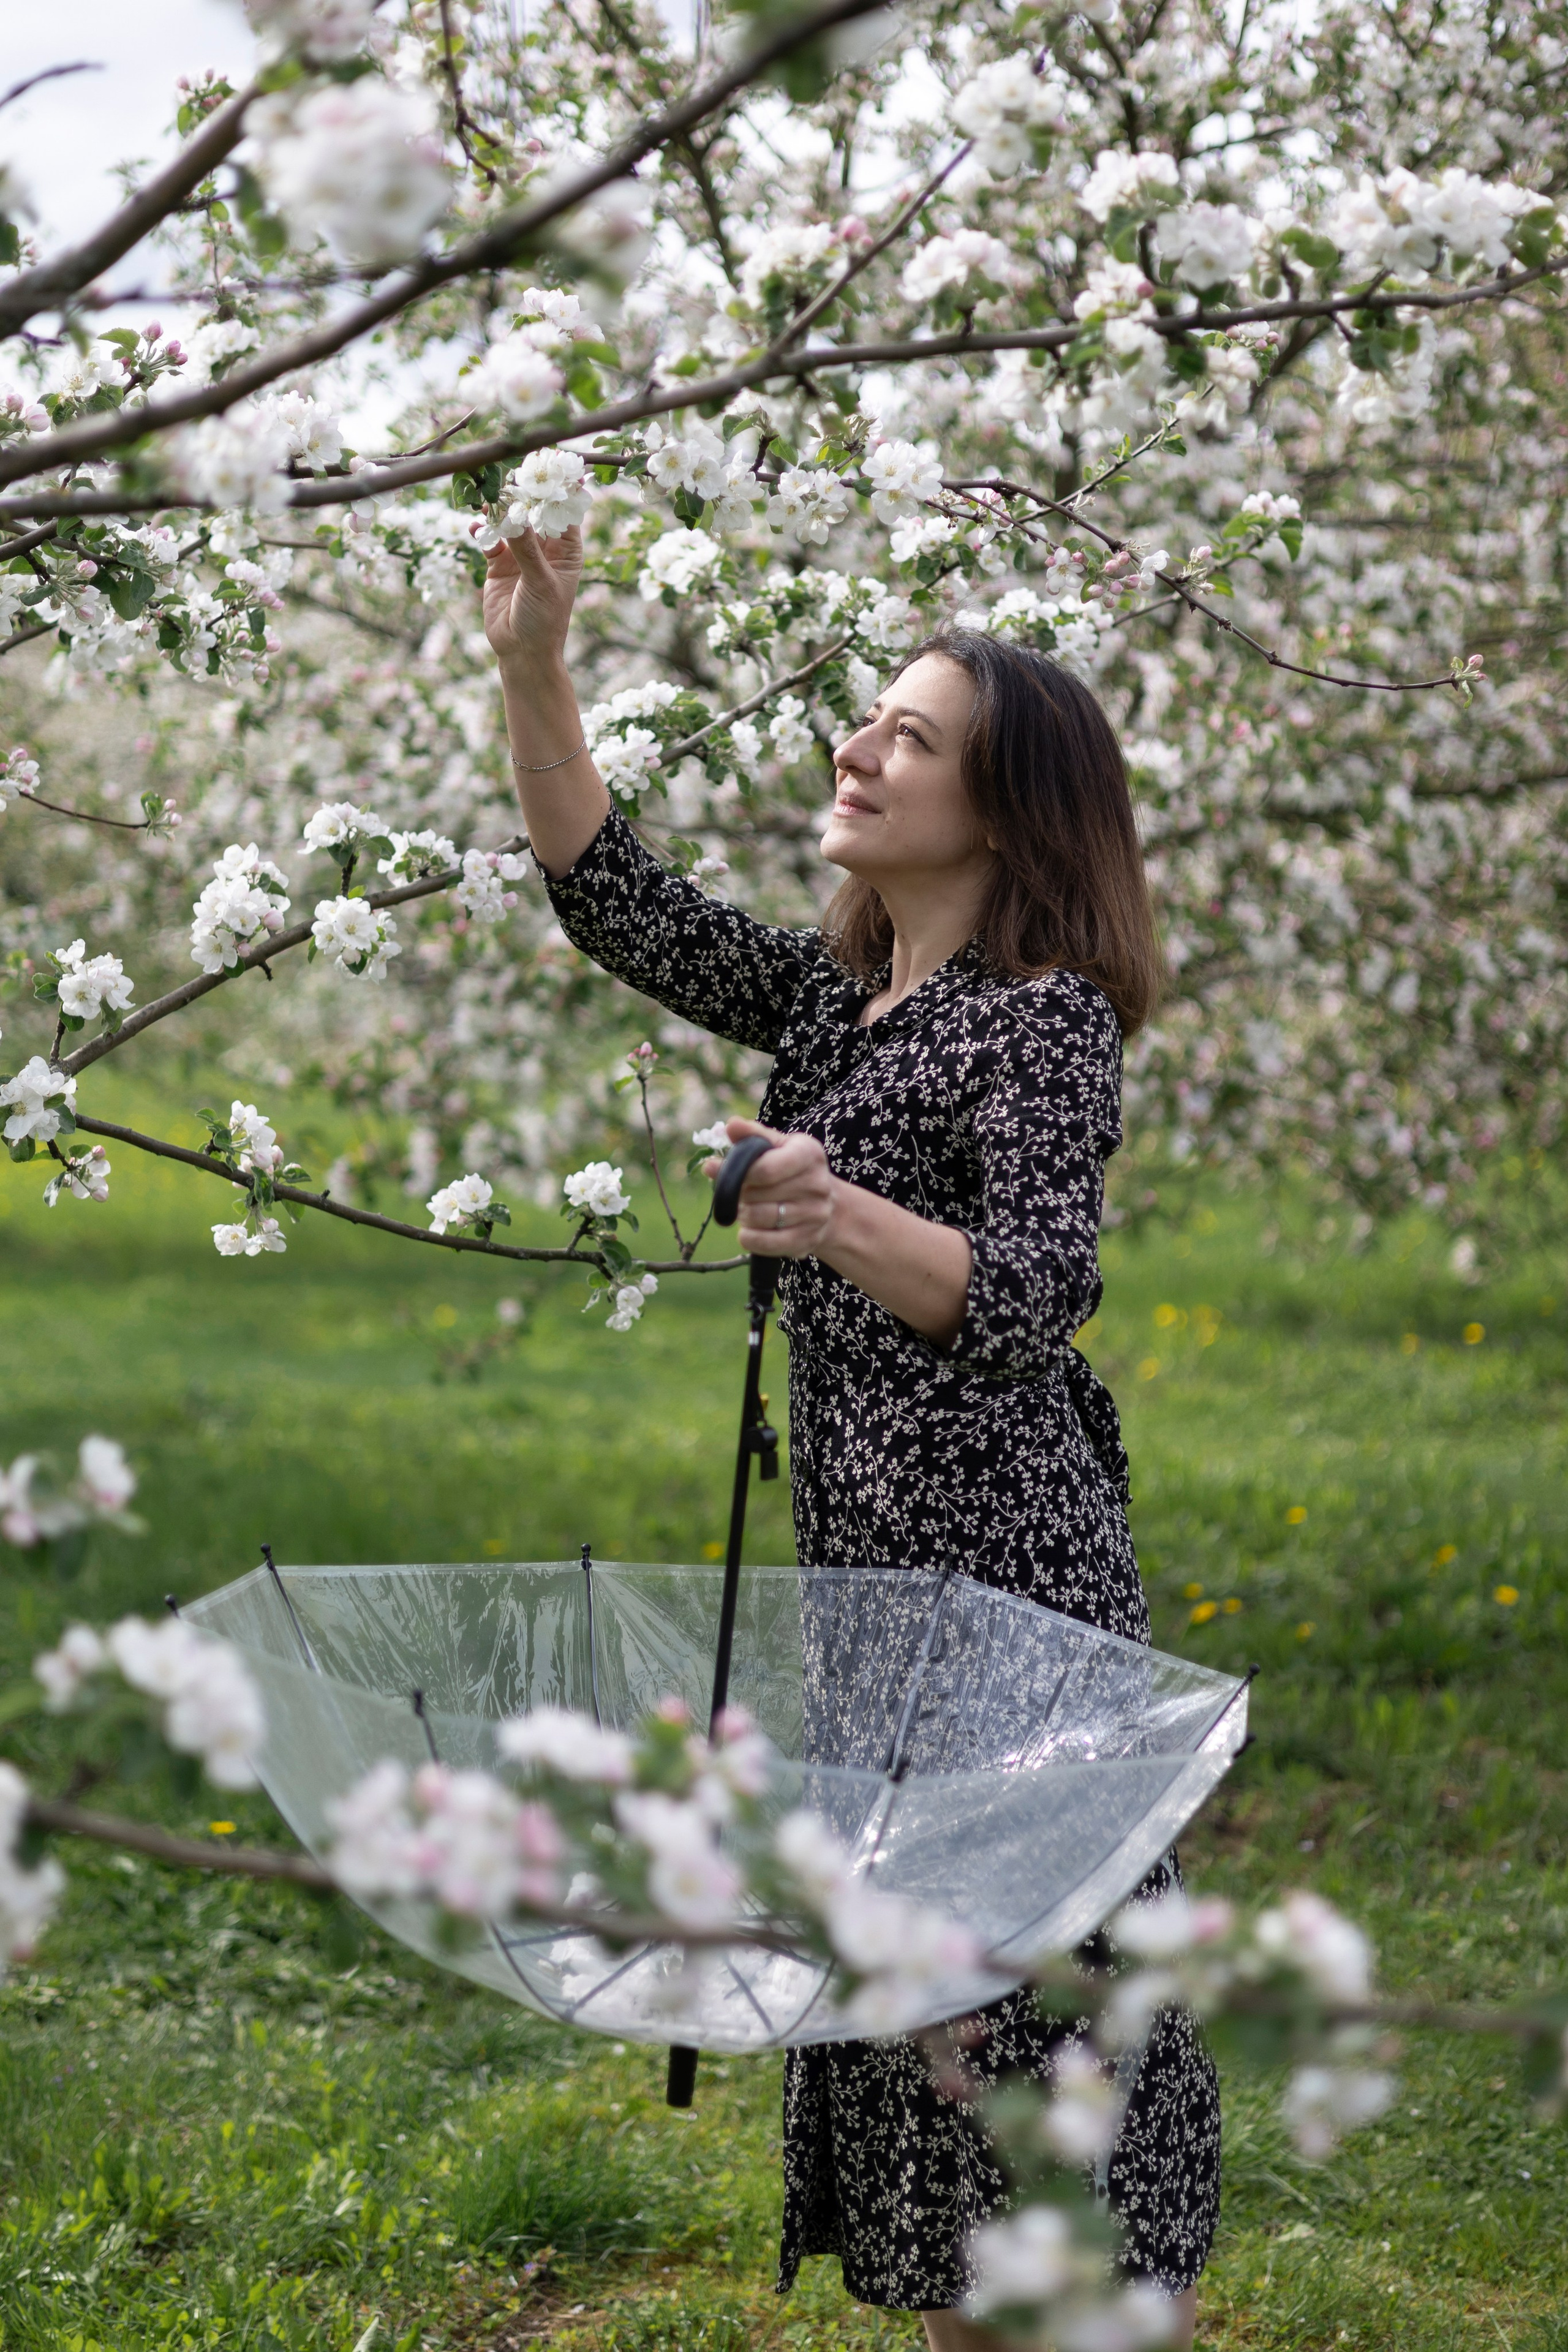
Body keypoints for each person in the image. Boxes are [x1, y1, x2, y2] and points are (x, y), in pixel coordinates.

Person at [482, 520, 1218, 2352]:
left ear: (1009, 807)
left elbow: (1040, 1292)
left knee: (1022, 2044)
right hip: (879, 1603)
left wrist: (835, 1218)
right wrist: (532, 660)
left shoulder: (1040, 1028)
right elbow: (609, 894)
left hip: (1012, 1603)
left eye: (912, 735)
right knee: (928, 2046)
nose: (857, 749)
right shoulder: (836, 1006)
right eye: (867, 718)